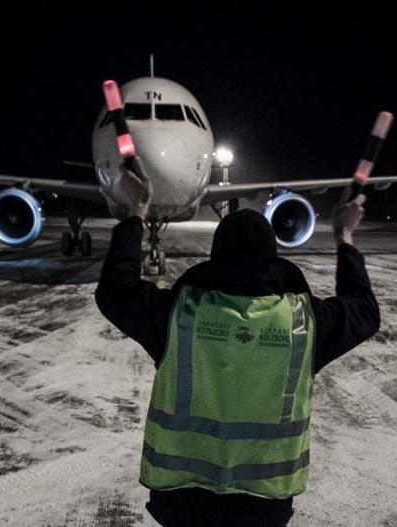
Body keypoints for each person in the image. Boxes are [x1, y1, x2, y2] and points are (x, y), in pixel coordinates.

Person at [95, 156, 380, 526]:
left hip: (182, 501)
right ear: (272, 260)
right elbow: (364, 310)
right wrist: (344, 237)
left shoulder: (180, 315)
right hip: (263, 506)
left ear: (217, 257)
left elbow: (115, 290)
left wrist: (135, 211)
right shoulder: (305, 323)